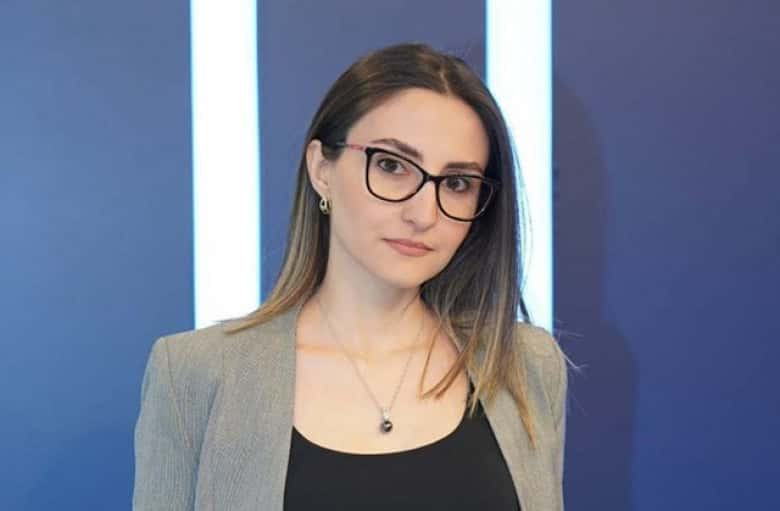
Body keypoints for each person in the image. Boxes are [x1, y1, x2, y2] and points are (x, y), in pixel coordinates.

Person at [133, 42, 569, 511]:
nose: (423, 213)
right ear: (322, 169)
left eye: (457, 183)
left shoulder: (525, 366)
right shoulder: (195, 375)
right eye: (392, 166)